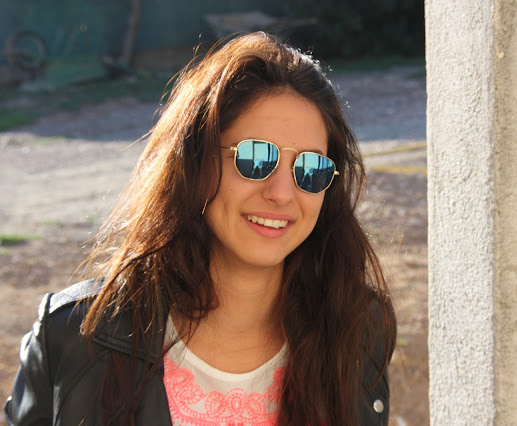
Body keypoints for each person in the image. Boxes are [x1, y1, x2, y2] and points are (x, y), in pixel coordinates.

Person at [4, 32, 396, 426]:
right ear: (195, 162)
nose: (281, 193)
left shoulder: (356, 330)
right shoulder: (75, 336)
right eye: (255, 158)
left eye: (311, 168)